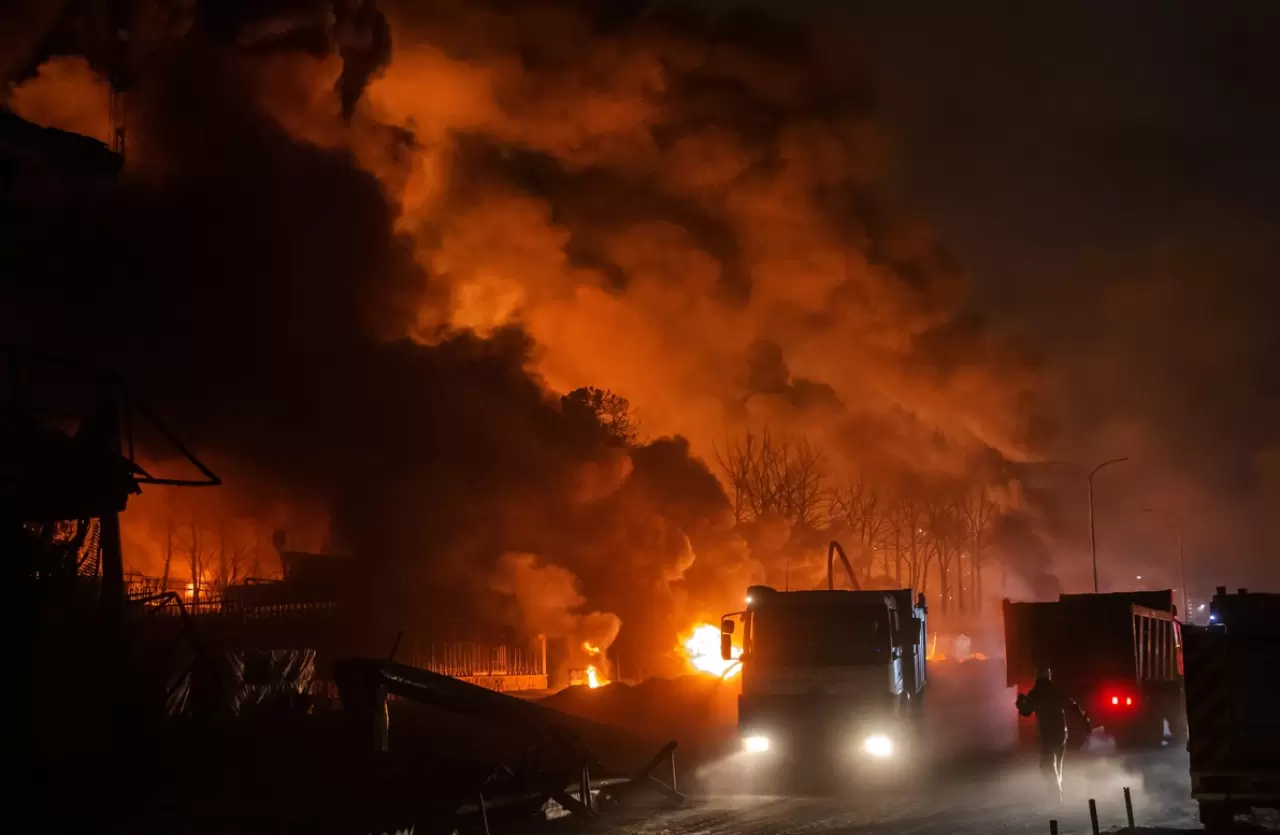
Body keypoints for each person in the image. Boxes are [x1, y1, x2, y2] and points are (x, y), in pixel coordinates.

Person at [1016, 665, 1089, 803]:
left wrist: (1020, 702)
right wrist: (1084, 722)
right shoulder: (1056, 690)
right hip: (1061, 733)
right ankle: (1057, 794)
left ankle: (1056, 796)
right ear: (1049, 675)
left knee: (1047, 765)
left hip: (1047, 734)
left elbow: (1026, 711)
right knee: (1057, 765)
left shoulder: (1036, 693)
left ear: (1036, 676)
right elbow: (1071, 705)